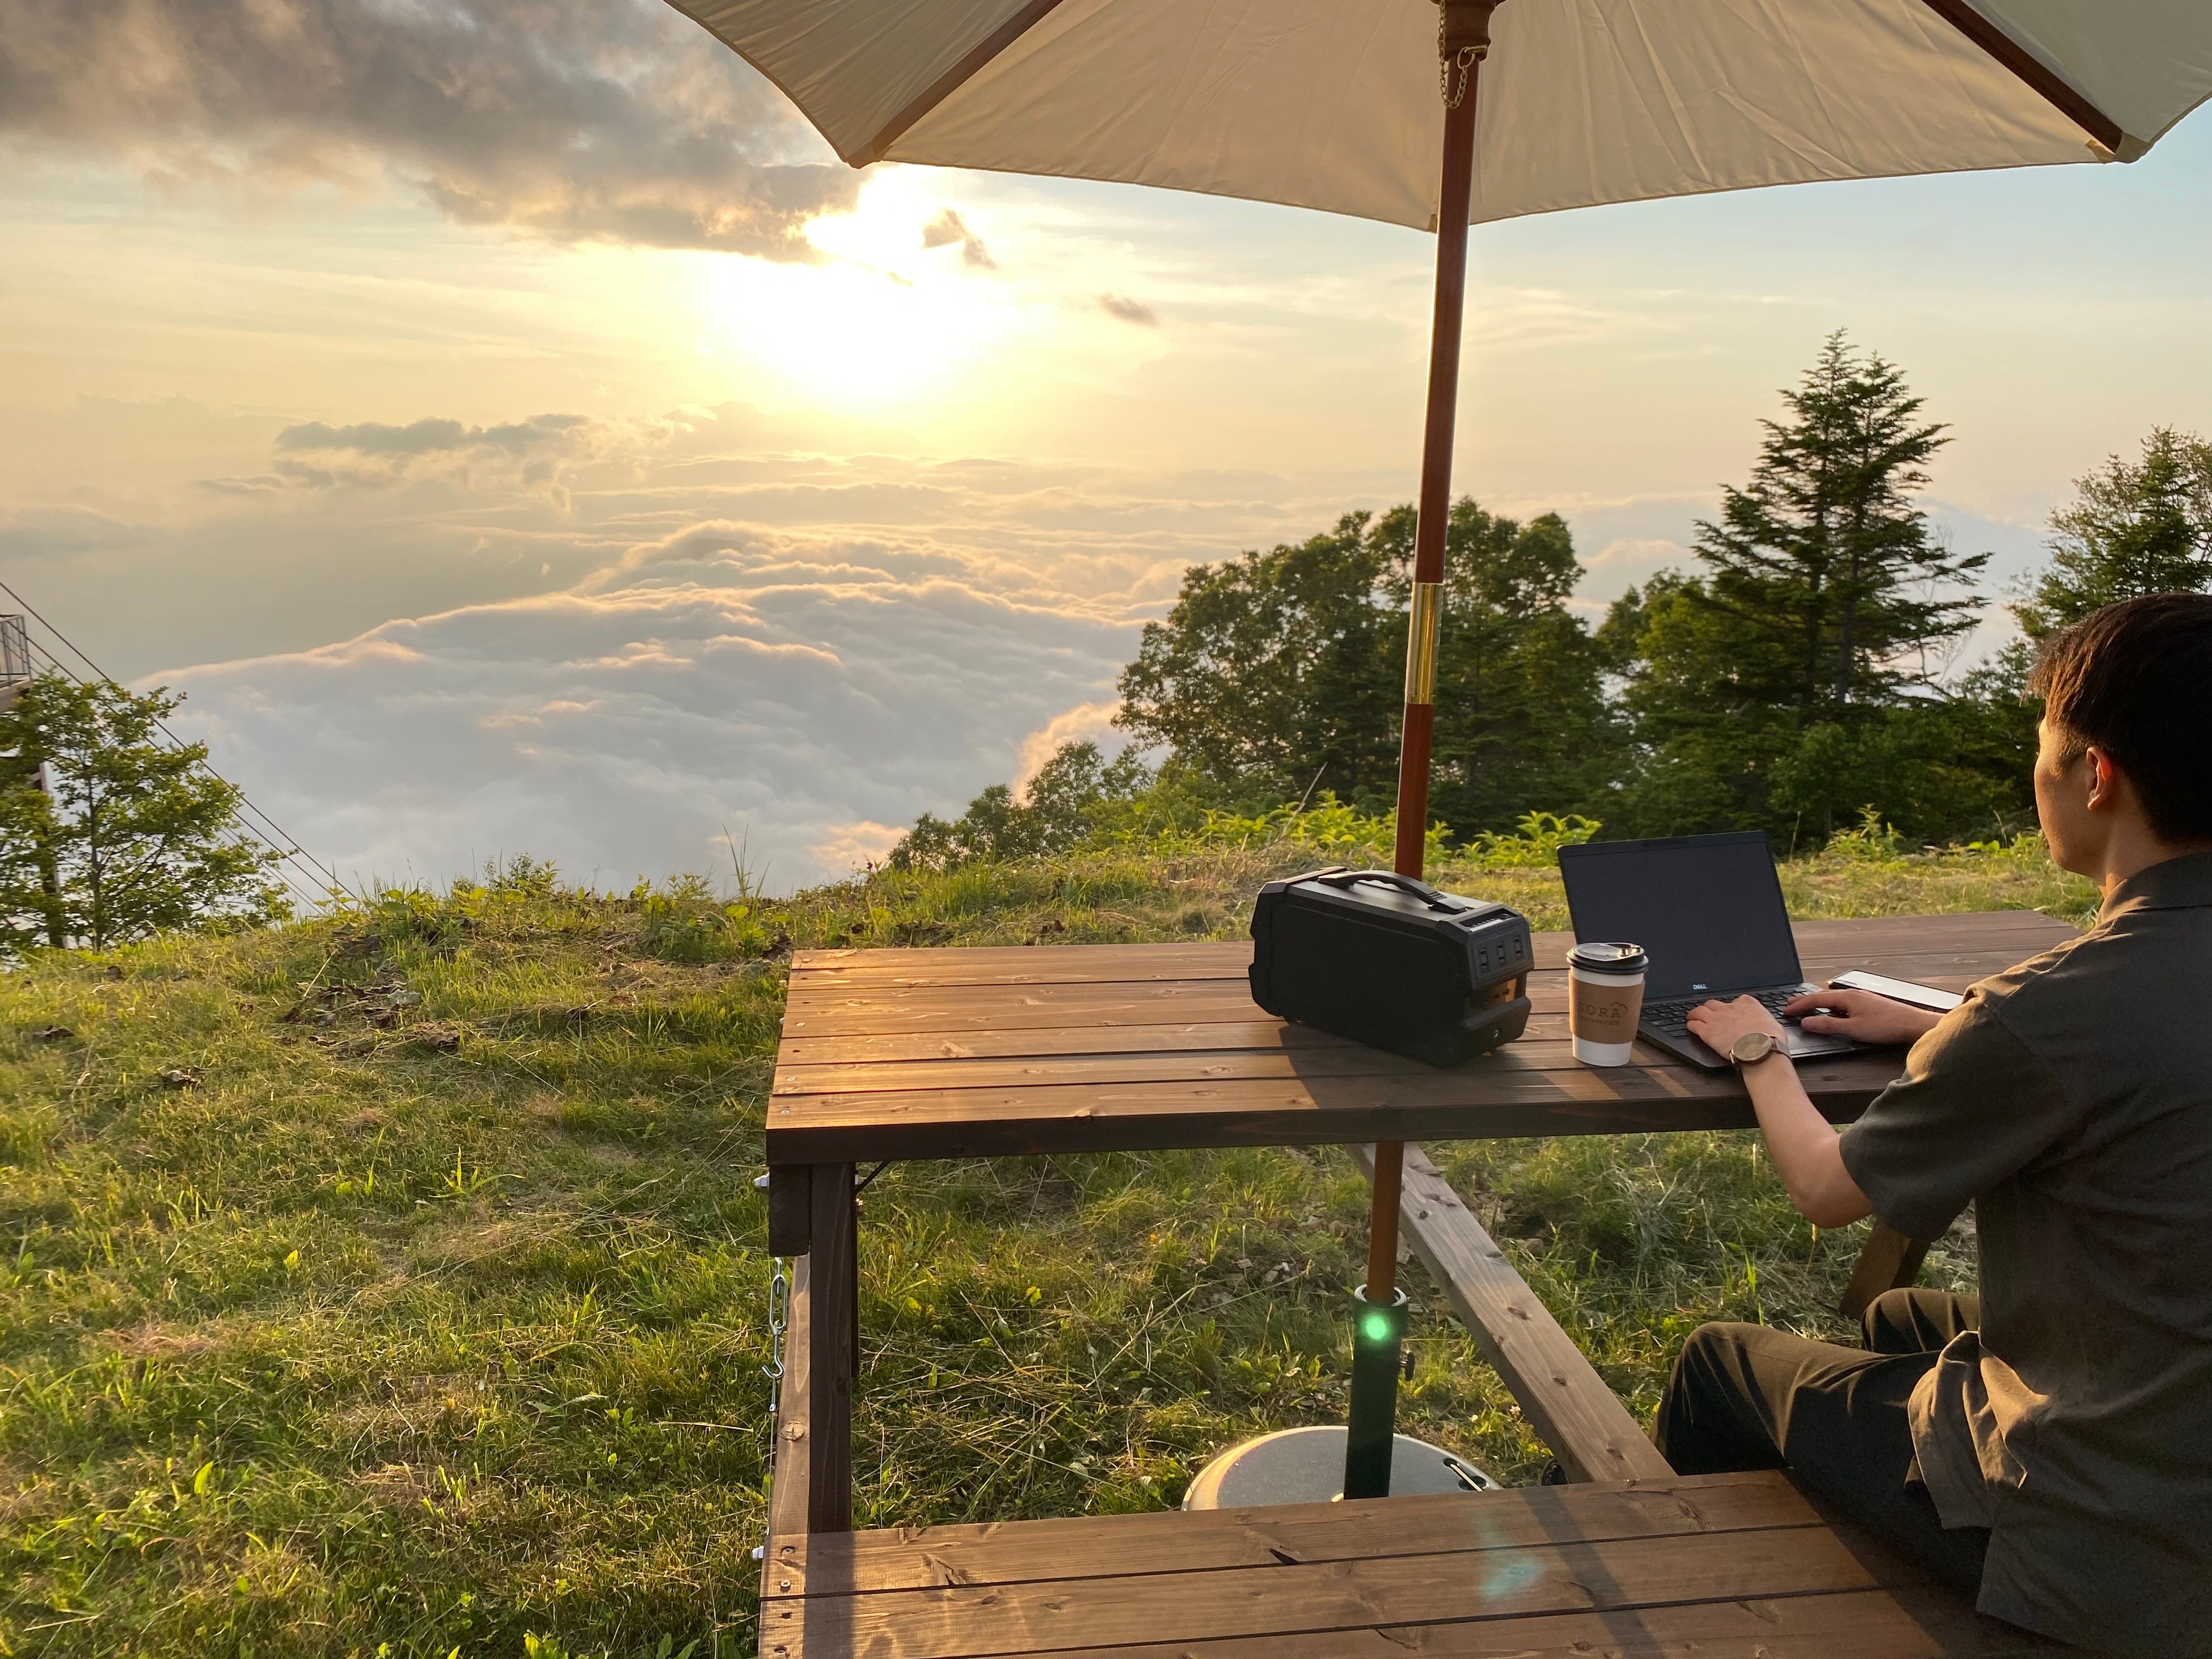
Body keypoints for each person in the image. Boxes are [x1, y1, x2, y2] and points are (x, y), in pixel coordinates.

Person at [1663, 593, 2212, 1656]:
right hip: (2176, 1409)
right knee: (1903, 1313)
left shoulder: (2050, 1008)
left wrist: (1756, 1047)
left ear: (2096, 774)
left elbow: (1826, 1189)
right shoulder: (2048, 1016)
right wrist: (1941, 1023)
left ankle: (1701, 1606)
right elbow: (2126, 1058)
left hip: (2107, 1536)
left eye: (2043, 747)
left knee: (1716, 1362)